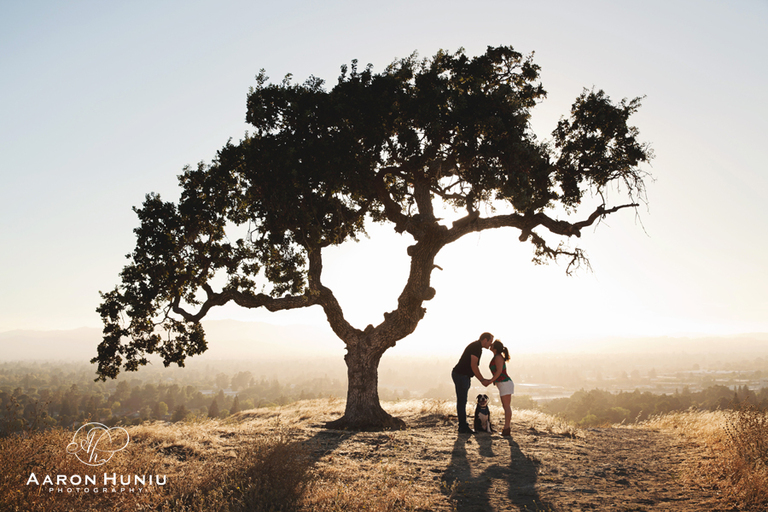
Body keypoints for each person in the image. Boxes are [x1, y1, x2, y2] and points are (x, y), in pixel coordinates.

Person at [452, 332, 494, 434]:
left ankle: (463, 425)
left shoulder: (476, 346)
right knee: (462, 402)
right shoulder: (476, 348)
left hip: (461, 375)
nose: (490, 344)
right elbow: (474, 366)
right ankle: (463, 427)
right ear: (485, 340)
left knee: (462, 401)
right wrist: (482, 380)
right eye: (490, 341)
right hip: (461, 375)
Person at [489, 339, 514, 437]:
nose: (490, 345)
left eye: (492, 345)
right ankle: (506, 428)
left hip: (505, 383)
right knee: (506, 406)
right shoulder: (497, 356)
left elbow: (499, 372)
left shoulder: (498, 357)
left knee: (506, 407)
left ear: (495, 348)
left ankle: (506, 429)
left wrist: (490, 380)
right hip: (503, 384)